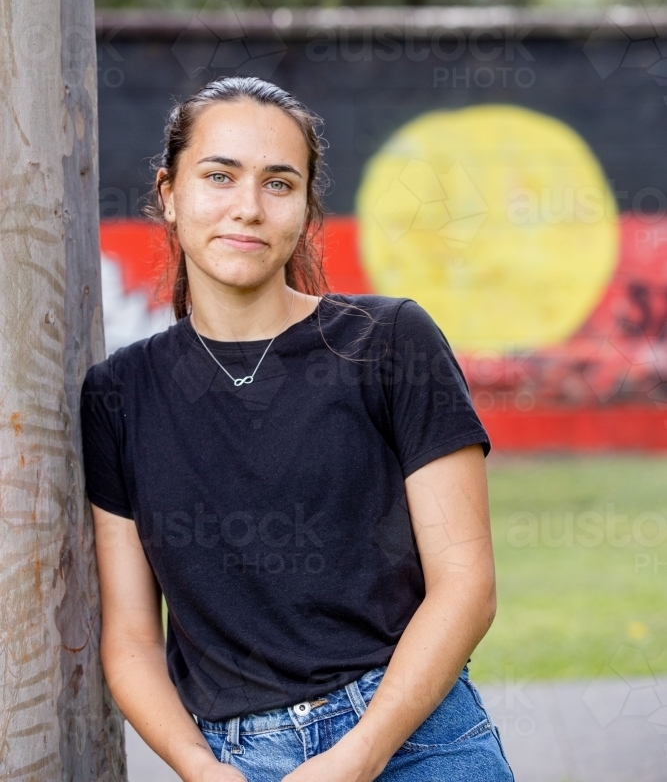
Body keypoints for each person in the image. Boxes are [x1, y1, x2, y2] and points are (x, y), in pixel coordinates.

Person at [81, 75, 514, 782]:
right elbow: (130, 637)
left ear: (306, 207)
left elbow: (466, 585)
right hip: (239, 760)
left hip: (415, 740)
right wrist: (199, 766)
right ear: (168, 193)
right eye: (218, 177)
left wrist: (356, 757)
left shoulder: (389, 341)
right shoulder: (119, 394)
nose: (247, 208)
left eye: (278, 184)